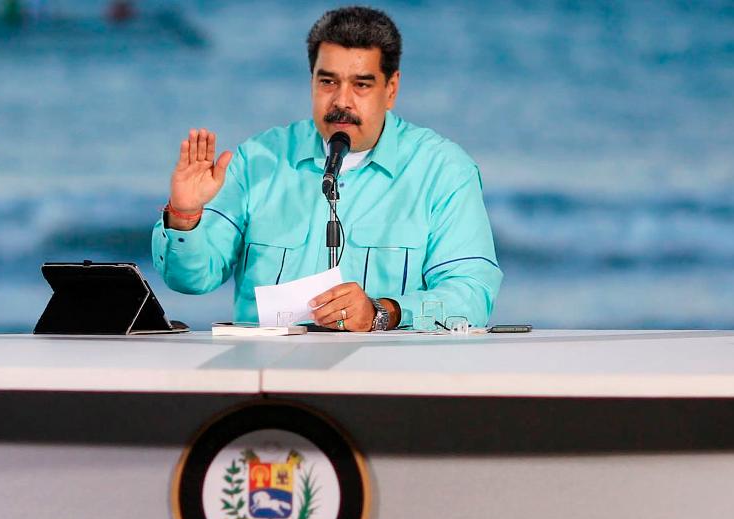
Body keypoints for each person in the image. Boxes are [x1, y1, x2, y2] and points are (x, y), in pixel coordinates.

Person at [151, 6, 501, 331]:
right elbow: (192, 280)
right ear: (311, 80)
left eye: (361, 84)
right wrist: (185, 215)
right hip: (267, 376)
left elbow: (472, 295)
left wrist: (382, 313)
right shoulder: (259, 160)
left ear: (390, 89)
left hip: (388, 377)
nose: (341, 101)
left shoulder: (442, 170)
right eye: (328, 82)